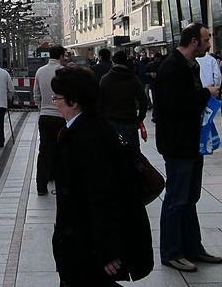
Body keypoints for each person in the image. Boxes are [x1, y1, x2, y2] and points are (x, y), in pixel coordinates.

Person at [51, 64, 154, 286]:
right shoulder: (86, 128)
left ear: (74, 101)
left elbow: (103, 195)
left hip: (87, 245)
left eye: (57, 97)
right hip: (83, 241)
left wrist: (108, 249)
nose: (55, 103)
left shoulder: (89, 138)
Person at [155, 23, 222, 273]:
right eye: (206, 40)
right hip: (178, 143)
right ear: (193, 41)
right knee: (177, 197)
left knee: (190, 197)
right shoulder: (173, 67)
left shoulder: (187, 65)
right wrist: (206, 92)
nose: (208, 44)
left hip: (191, 141)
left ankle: (192, 247)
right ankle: (172, 252)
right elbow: (177, 105)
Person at [32, 45, 67, 196]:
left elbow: (36, 94)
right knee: (61, 151)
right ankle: (61, 185)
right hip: (60, 117)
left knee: (44, 151)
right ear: (60, 56)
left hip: (44, 116)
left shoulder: (40, 71)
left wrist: (42, 107)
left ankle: (41, 186)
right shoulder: (63, 72)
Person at [99, 50, 148, 151]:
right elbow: (143, 101)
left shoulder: (105, 79)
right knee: (133, 154)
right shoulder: (133, 79)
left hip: (110, 120)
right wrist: (140, 118)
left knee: (112, 152)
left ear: (113, 62)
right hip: (129, 120)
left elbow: (100, 101)